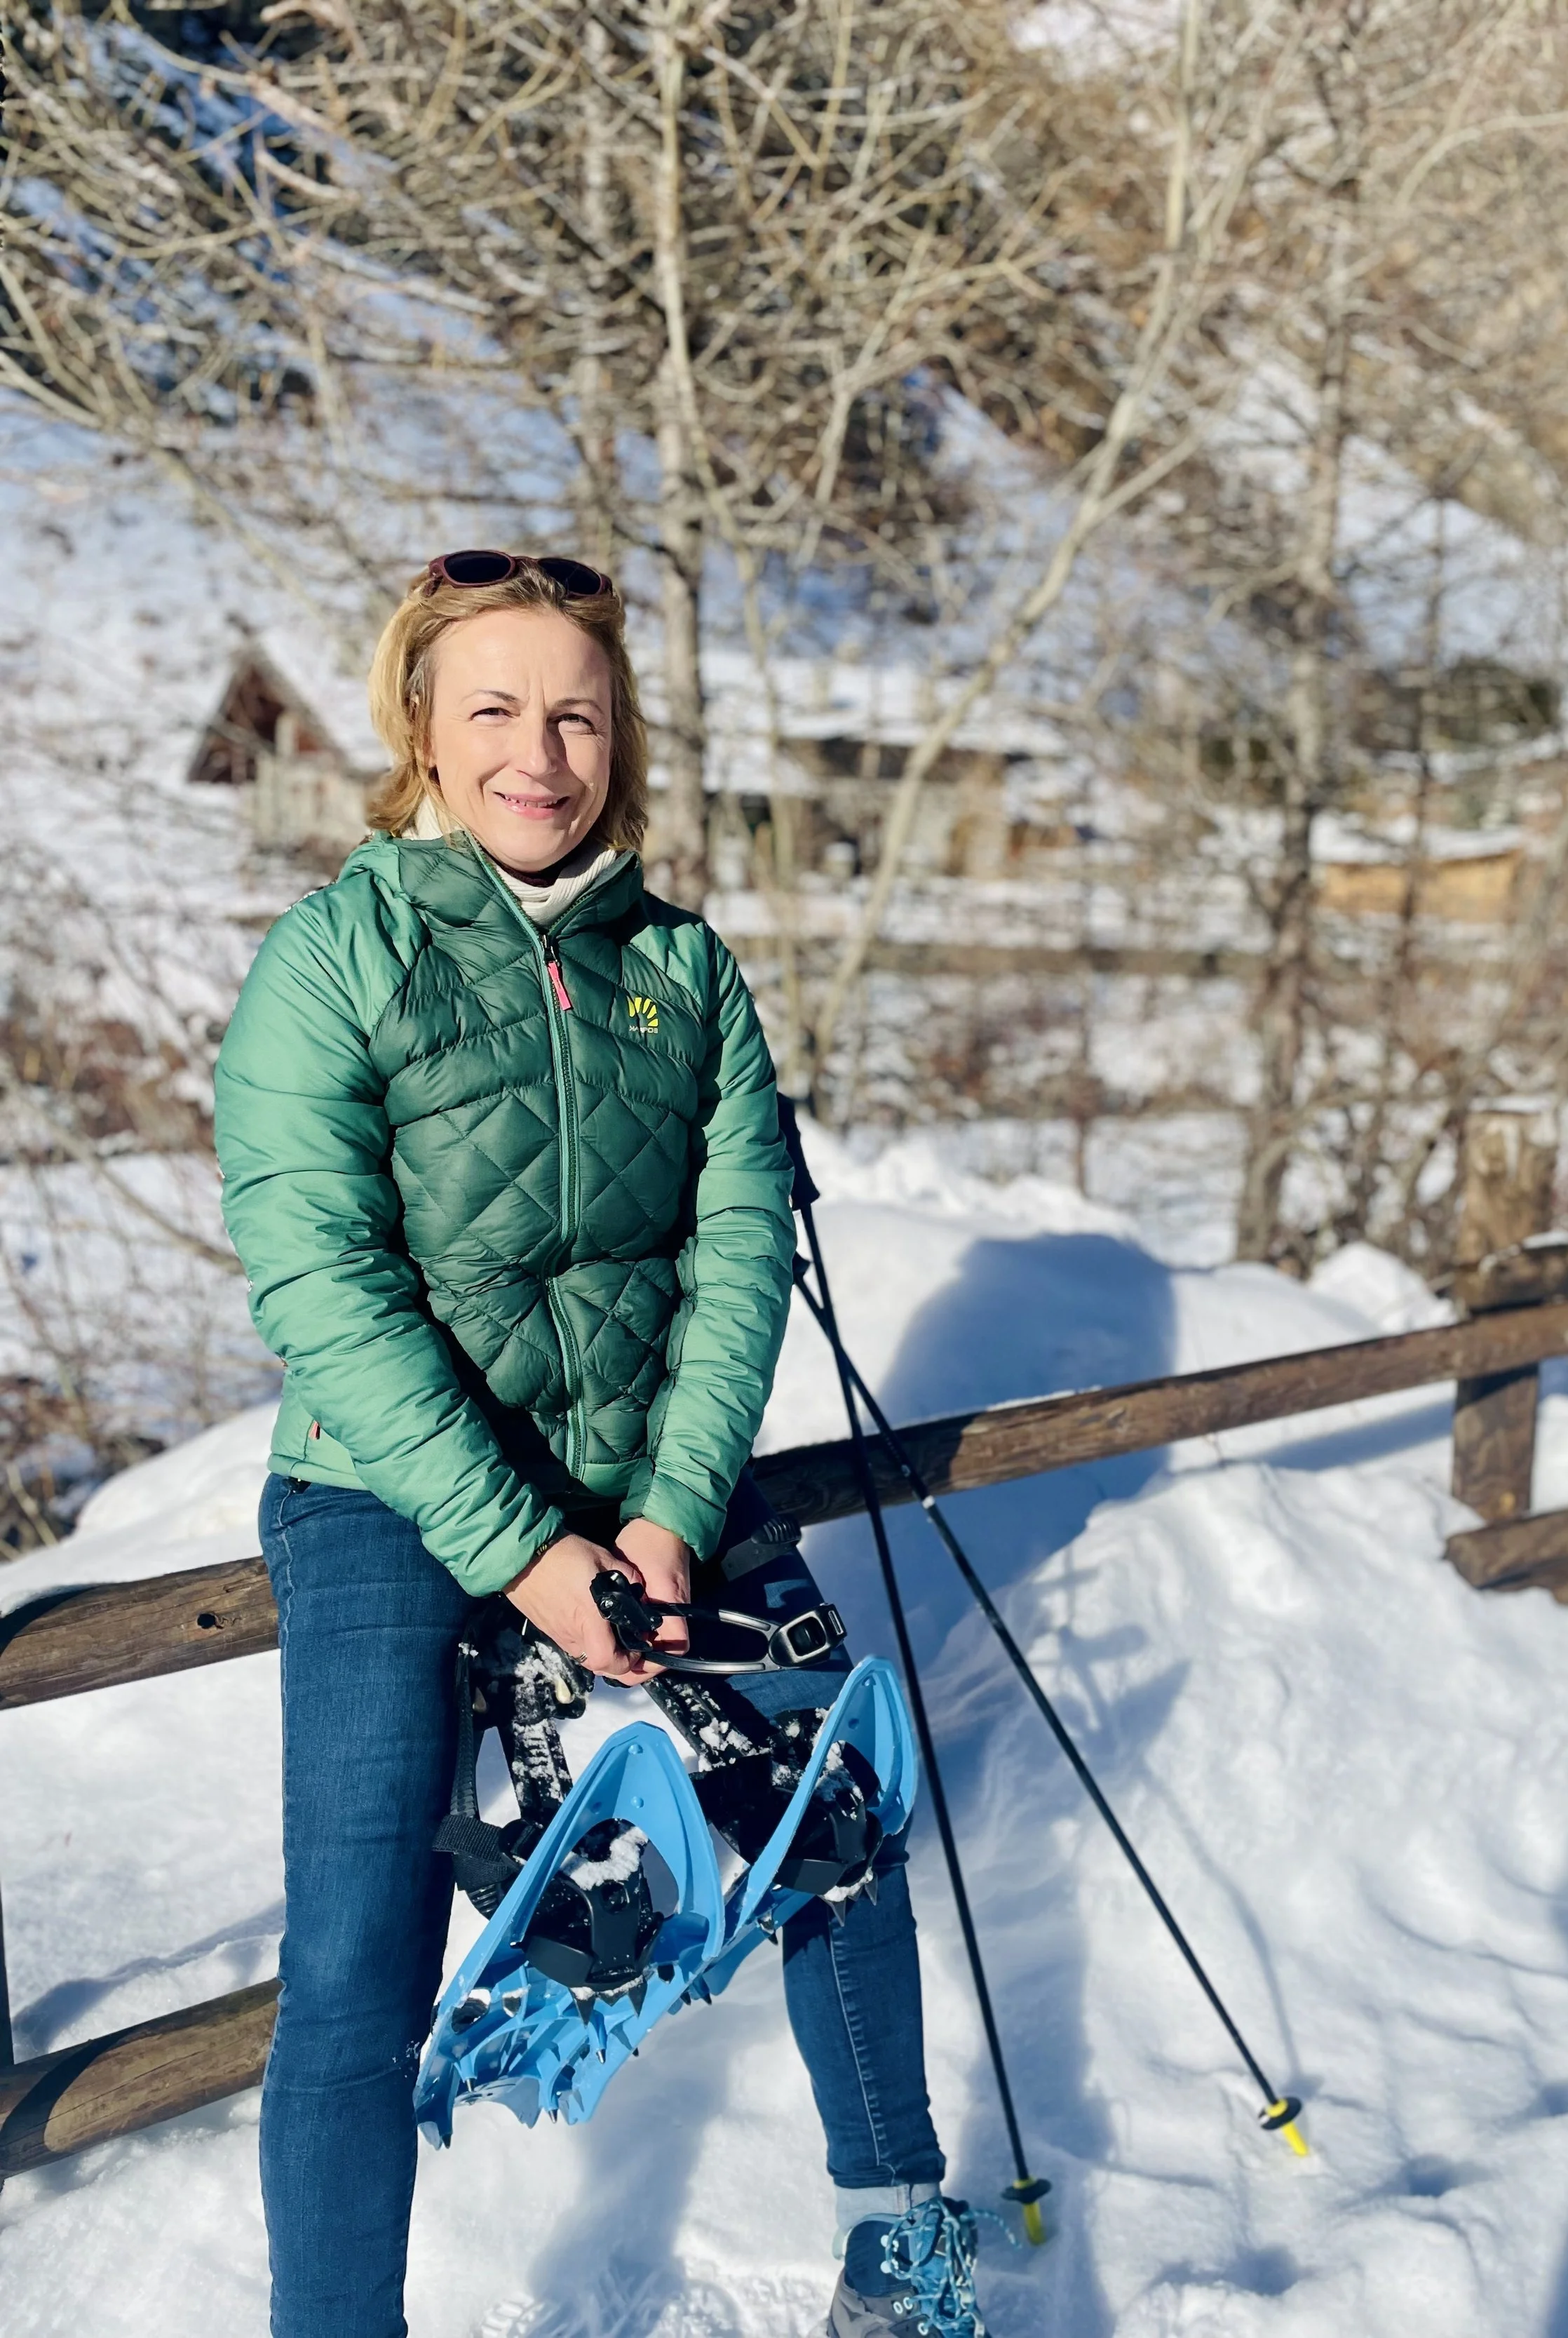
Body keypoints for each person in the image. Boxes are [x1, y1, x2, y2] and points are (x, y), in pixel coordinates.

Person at [214, 552, 989, 2338]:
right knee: (355, 1957)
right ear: (420, 724)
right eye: (491, 706)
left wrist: (670, 1509)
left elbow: (735, 1264)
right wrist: (520, 1549)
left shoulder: (682, 972)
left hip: (652, 1488)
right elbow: (320, 1282)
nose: (537, 749)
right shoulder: (338, 955)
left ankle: (898, 2244)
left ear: (617, 732)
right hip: (390, 1495)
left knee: (833, 1822)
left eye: (574, 708)